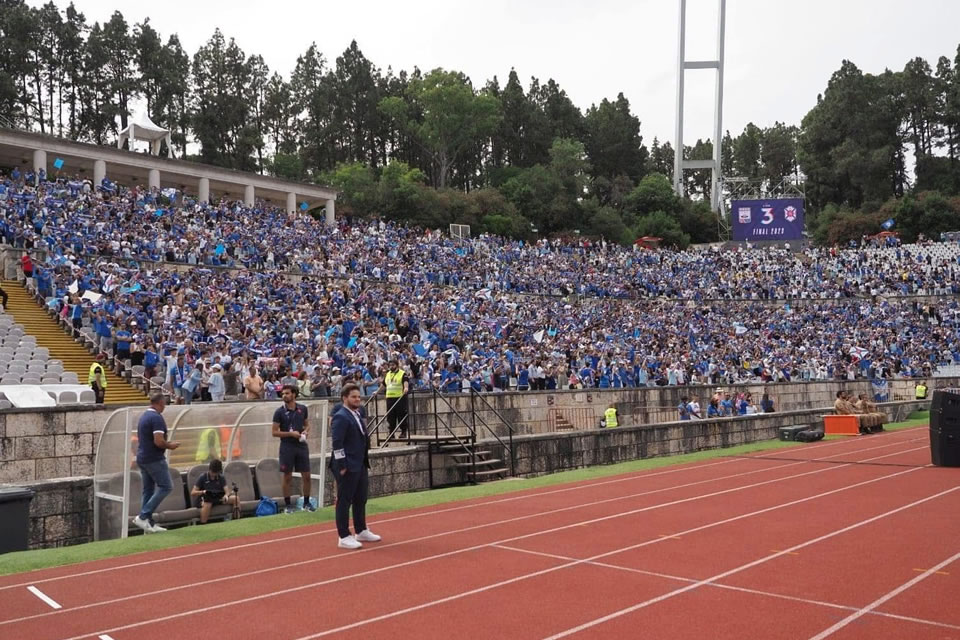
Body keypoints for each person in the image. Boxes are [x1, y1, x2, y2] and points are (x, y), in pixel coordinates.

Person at [331, 383, 380, 549]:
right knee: (344, 500)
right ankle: (343, 535)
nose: (357, 399)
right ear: (345, 398)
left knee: (361, 498)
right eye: (353, 397)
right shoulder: (341, 416)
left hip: (359, 463)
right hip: (347, 465)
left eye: (359, 396)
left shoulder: (357, 414)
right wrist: (342, 465)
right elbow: (337, 443)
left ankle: (361, 529)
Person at [132, 392, 179, 533]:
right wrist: (170, 445)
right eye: (164, 402)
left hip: (142, 457)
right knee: (166, 486)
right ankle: (143, 516)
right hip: (154, 458)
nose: (165, 405)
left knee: (148, 490)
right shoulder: (156, 418)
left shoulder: (144, 416)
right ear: (160, 403)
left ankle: (148, 523)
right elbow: (158, 441)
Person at [271, 384, 315, 514]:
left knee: (306, 475)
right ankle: (288, 505)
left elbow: (307, 425)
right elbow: (274, 432)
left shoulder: (302, 408)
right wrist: (290, 434)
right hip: (287, 446)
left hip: (301, 445)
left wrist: (306, 432)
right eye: (283, 393)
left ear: (294, 394)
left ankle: (306, 503)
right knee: (287, 476)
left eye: (287, 393)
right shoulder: (279, 412)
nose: (284, 395)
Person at [190, 459, 237, 524]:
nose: (213, 474)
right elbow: (193, 492)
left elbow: (227, 491)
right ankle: (203, 524)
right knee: (208, 503)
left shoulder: (221, 477)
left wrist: (226, 495)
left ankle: (237, 520)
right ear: (209, 469)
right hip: (205, 498)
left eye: (216, 473)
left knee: (235, 498)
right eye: (212, 472)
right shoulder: (202, 477)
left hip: (217, 498)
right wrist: (203, 492)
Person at [384, 359, 410, 439]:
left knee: (401, 415)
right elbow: (383, 384)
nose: (391, 367)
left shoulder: (402, 373)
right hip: (390, 398)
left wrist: (406, 388)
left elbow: (405, 381)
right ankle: (391, 433)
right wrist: (377, 392)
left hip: (400, 398)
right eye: (390, 365)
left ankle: (403, 432)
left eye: (393, 365)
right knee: (391, 416)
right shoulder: (388, 374)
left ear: (396, 365)